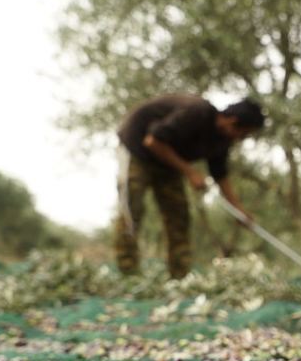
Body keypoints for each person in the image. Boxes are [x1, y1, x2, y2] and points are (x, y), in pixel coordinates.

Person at [114, 94, 265, 279]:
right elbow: (152, 141)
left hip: (168, 161)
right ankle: (127, 272)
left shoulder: (222, 141)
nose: (242, 139)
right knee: (132, 208)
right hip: (138, 150)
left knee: (178, 215)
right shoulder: (197, 112)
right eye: (245, 133)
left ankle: (179, 276)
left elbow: (220, 175)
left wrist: (238, 210)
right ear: (232, 122)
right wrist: (190, 172)